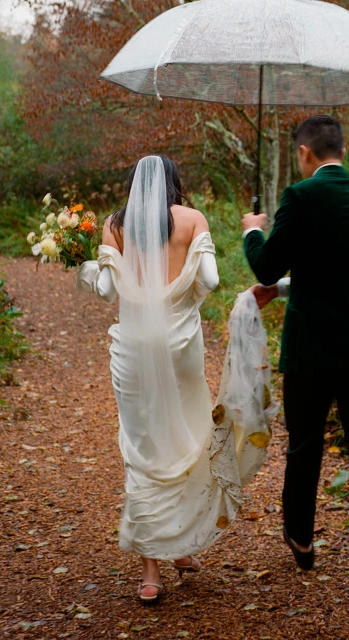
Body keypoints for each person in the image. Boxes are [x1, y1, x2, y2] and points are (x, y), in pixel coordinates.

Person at [77, 155, 274, 605]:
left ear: (134, 187)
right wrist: (187, 291)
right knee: (187, 439)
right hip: (181, 347)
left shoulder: (114, 225)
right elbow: (210, 278)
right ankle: (181, 546)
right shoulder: (191, 219)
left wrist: (87, 269)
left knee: (142, 448)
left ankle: (152, 571)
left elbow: (107, 291)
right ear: (174, 182)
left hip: (133, 351)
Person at [241, 115, 349, 624]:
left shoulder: (299, 198)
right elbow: (343, 274)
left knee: (305, 444)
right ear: (343, 148)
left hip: (313, 348)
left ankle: (301, 538)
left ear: (307, 153)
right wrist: (290, 287)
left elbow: (268, 265)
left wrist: (253, 233)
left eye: (298, 155)